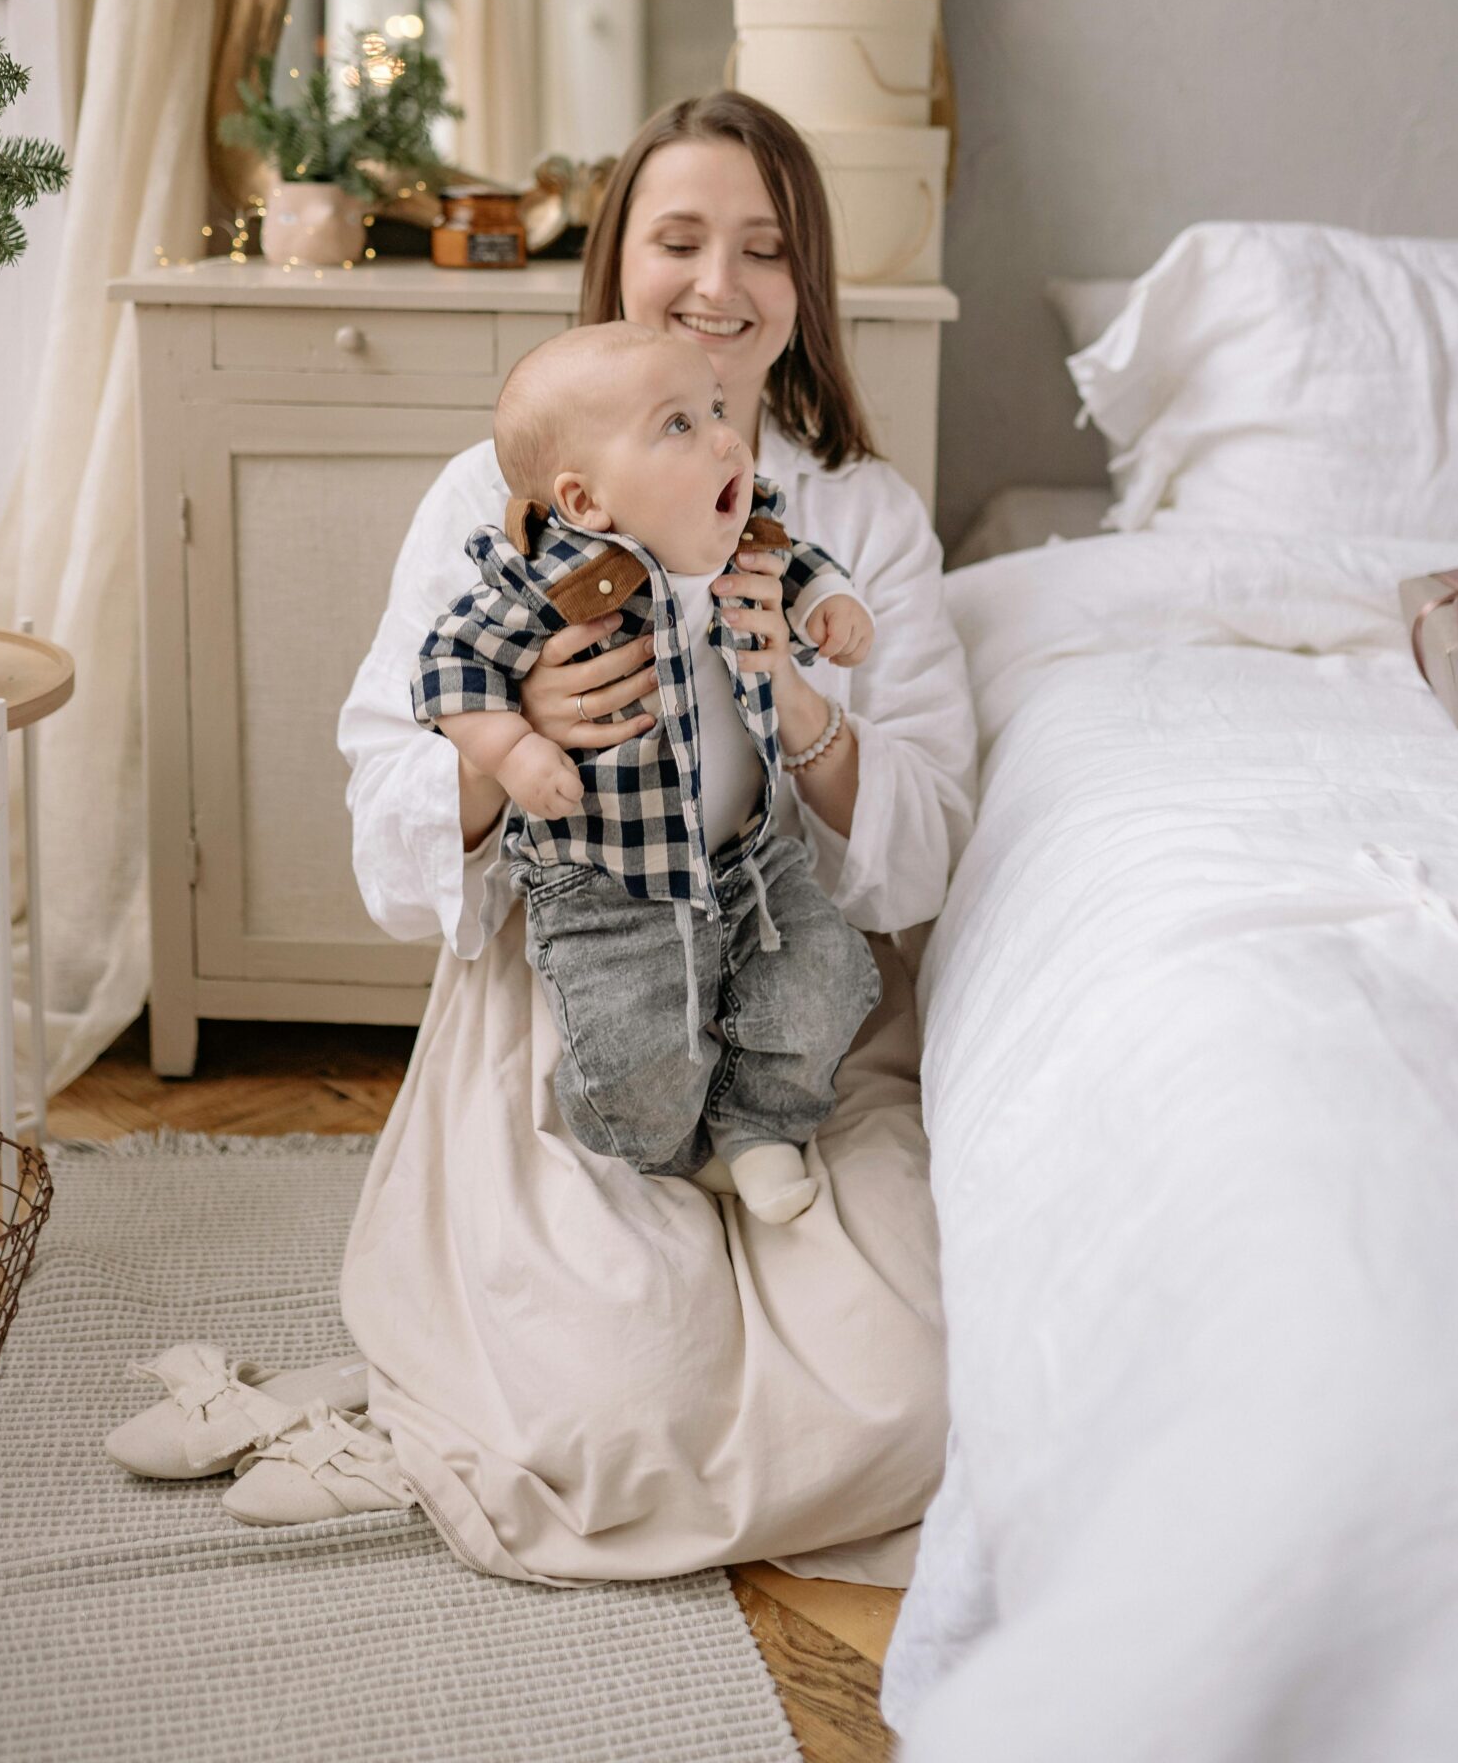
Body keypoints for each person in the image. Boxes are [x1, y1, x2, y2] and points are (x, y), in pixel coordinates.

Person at [233, 90, 976, 1575]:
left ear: (802, 288)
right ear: (614, 266)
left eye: (762, 249)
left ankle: (752, 1186)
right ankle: (460, 1404)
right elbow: (384, 780)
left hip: (797, 991)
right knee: (614, 1398)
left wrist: (795, 699)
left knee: (911, 1397)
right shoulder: (497, 502)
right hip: (578, 994)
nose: (718, 284)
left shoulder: (853, 513)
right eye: (678, 241)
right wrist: (516, 748)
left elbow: (928, 840)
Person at [413, 320, 881, 1221]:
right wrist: (513, 748)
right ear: (585, 501)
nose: (722, 435)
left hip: (746, 861)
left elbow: (797, 557)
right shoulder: (548, 577)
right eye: (679, 426)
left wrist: (829, 600)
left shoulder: (740, 528)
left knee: (827, 973)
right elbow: (445, 669)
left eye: (713, 408)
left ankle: (759, 1125)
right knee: (634, 1058)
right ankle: (671, 1148)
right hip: (606, 887)